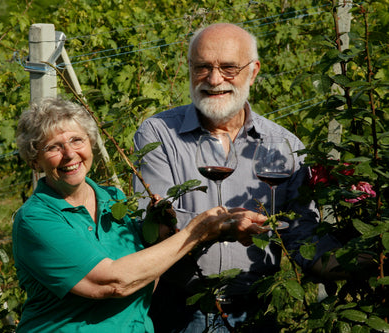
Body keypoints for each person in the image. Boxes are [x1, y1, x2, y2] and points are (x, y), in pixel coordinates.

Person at [133, 23, 341, 332]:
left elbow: (302, 237)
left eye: (229, 68)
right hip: (180, 311)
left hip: (256, 314)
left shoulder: (284, 145)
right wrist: (216, 226)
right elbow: (152, 228)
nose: (215, 80)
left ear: (253, 71)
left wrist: (352, 265)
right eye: (202, 67)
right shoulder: (159, 135)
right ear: (189, 68)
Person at [12, 97, 268, 332]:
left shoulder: (114, 201)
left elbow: (145, 276)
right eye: (53, 147)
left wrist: (172, 231)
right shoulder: (36, 221)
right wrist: (198, 231)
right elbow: (112, 283)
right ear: (35, 160)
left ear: (90, 143)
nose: (70, 154)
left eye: (77, 140)